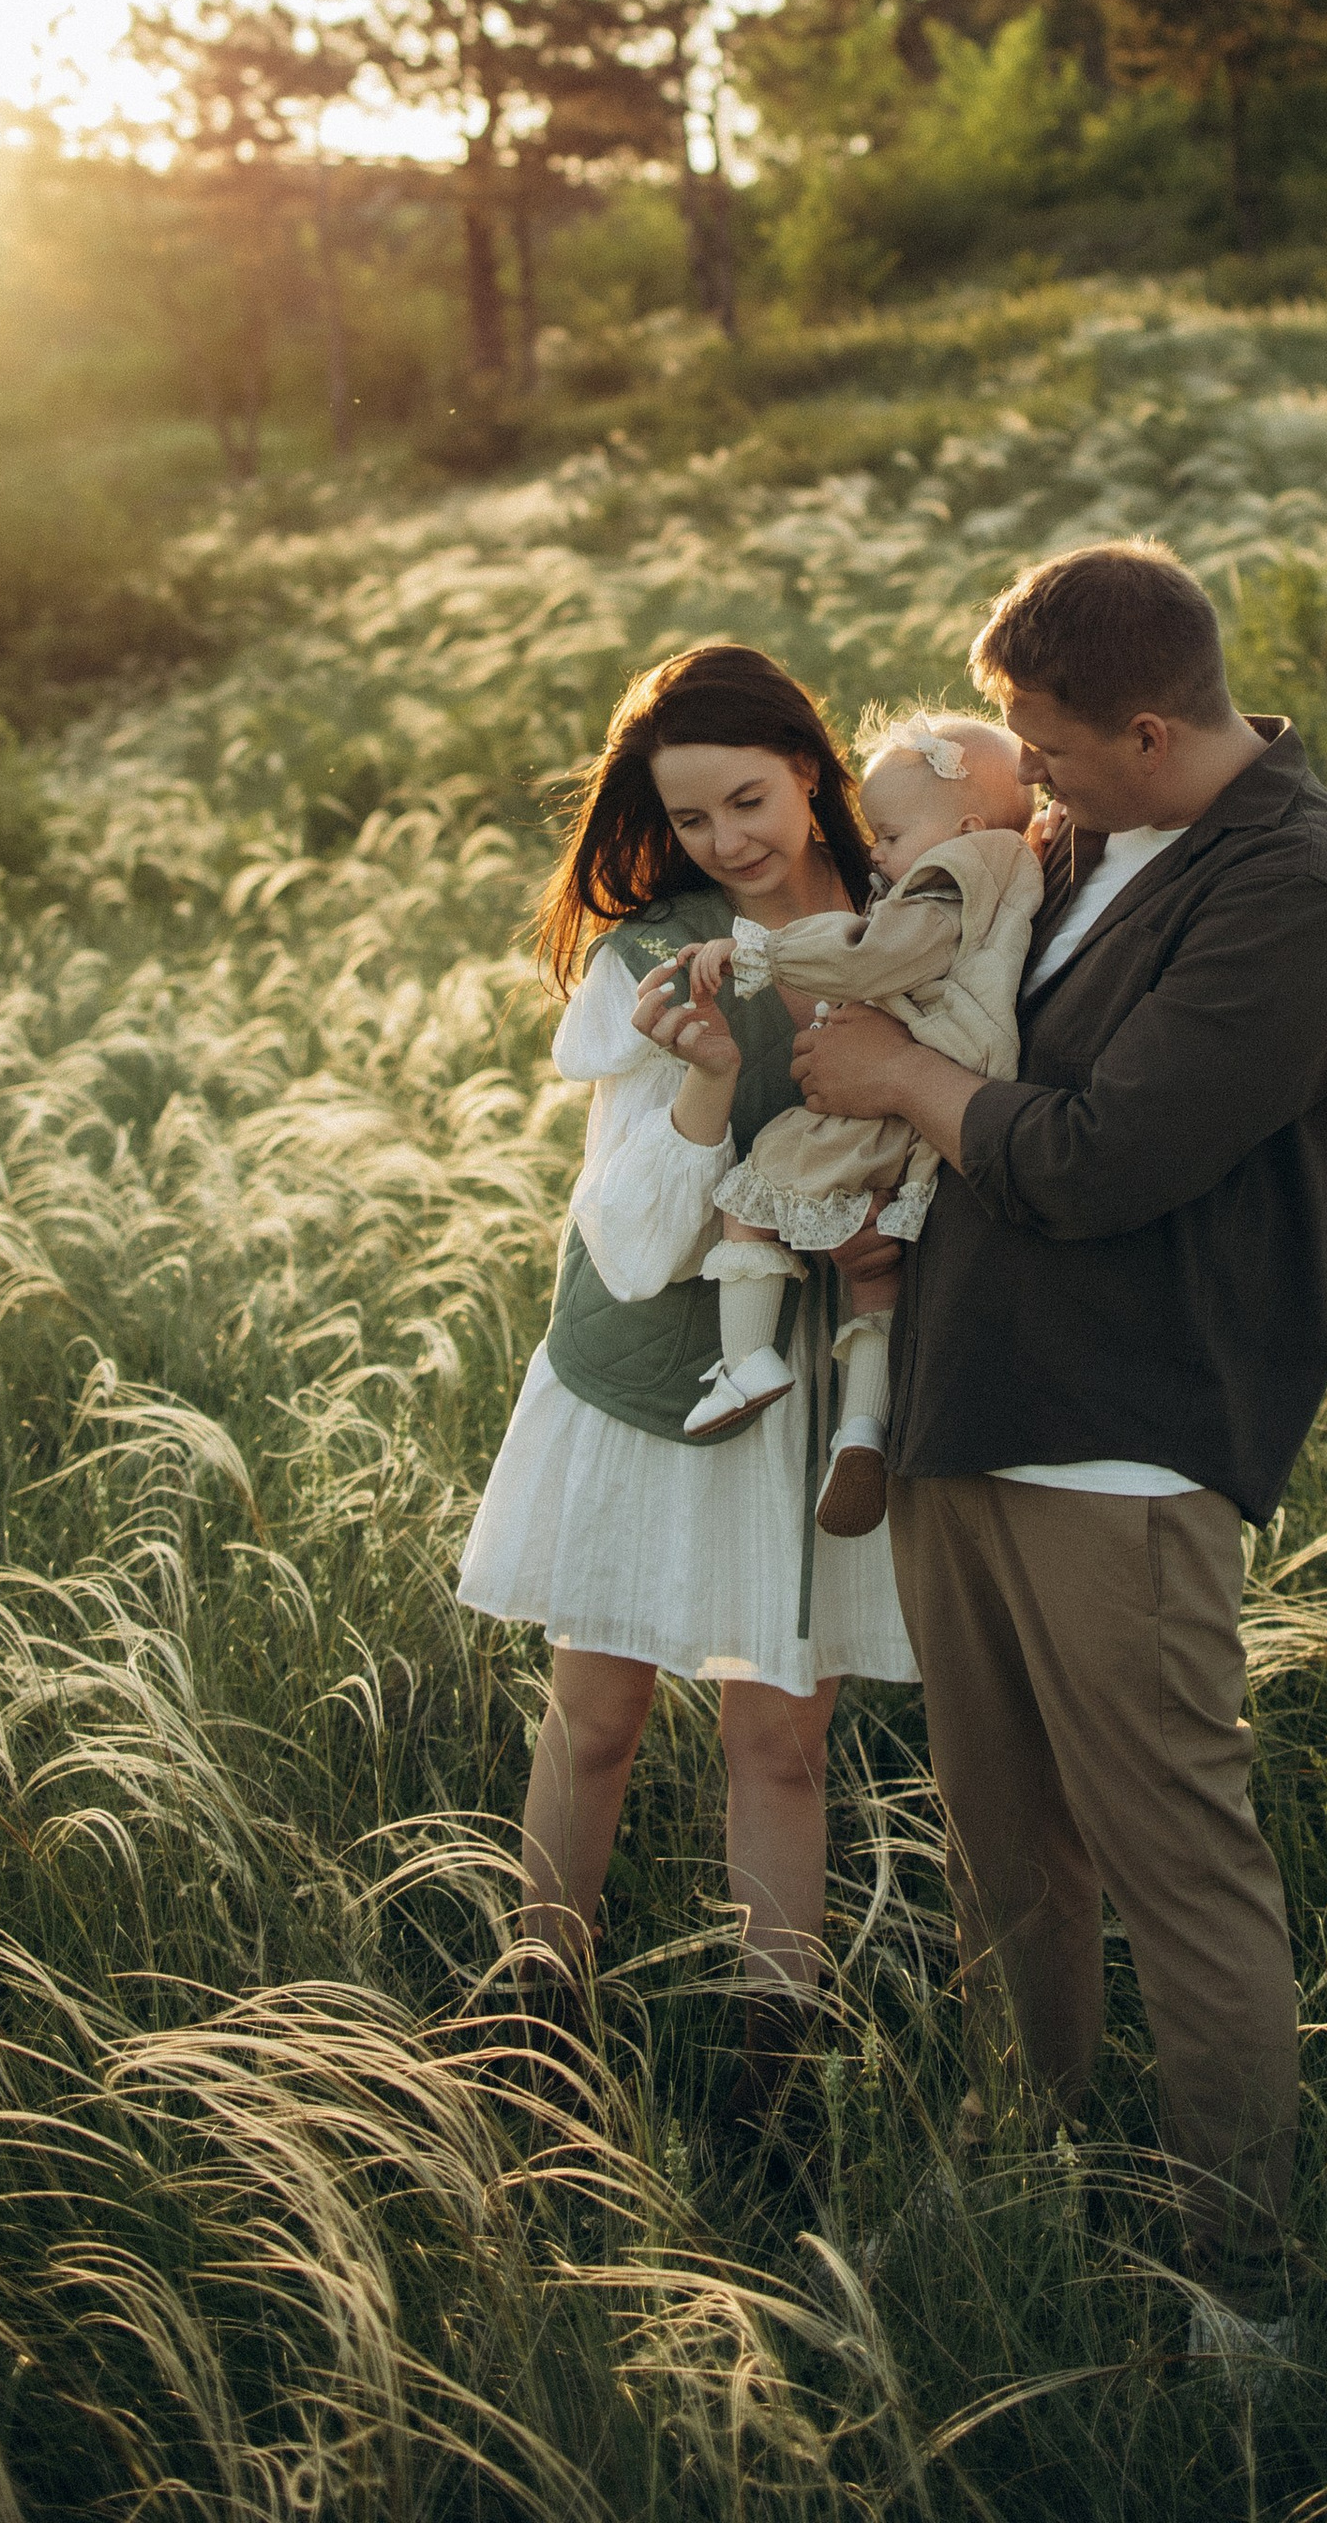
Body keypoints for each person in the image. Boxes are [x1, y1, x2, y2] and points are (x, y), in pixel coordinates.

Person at [791, 538, 1327, 2367]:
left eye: (1044, 739)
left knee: (1173, 1861)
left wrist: (904, 1090)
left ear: (1150, 725)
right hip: (966, 1408)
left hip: (1130, 1439)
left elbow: (1103, 1157)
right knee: (1005, 1848)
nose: (1018, 767)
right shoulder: (1074, 840)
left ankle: (1240, 2277)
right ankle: (1024, 2162)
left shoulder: (1298, 891)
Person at [455, 640, 918, 2117]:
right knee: (596, 1718)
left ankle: (774, 2073)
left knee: (780, 1740)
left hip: (818, 1380)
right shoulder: (652, 957)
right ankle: (535, 2023)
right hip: (656, 1369)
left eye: (751, 798)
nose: (730, 840)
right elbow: (642, 1242)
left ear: (810, 767)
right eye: (696, 818)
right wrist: (710, 1083)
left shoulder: (920, 920)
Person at [674, 712, 1040, 1541]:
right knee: (876, 1279)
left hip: (902, 1084)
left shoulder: (949, 876)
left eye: (890, 833)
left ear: (965, 827)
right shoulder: (1008, 865)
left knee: (755, 1185)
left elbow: (879, 958)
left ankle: (745, 1361)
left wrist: (763, 954)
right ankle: (862, 1433)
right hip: (946, 1097)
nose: (873, 852)